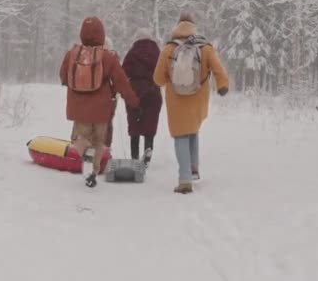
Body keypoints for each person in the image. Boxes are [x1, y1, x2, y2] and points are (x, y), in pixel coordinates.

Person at [153, 11, 229, 194]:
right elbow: (219, 70)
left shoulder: (169, 49)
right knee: (193, 130)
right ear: (194, 26)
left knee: (181, 136)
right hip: (198, 99)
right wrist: (222, 85)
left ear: (177, 26)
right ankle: (193, 170)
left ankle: (185, 180)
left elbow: (158, 79)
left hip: (176, 101)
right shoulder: (205, 47)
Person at [60, 17, 139, 188]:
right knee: (99, 142)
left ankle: (87, 163)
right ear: (102, 35)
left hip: (79, 109)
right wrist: (133, 102)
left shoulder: (71, 55)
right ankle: (93, 171)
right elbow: (121, 82)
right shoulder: (107, 57)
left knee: (79, 138)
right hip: (102, 109)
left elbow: (63, 77)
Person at [122, 28, 162, 166]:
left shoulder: (132, 52)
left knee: (134, 124)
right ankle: (148, 151)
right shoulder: (157, 52)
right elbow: (162, 71)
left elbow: (123, 71)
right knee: (150, 123)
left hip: (135, 92)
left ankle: (134, 156)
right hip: (153, 92)